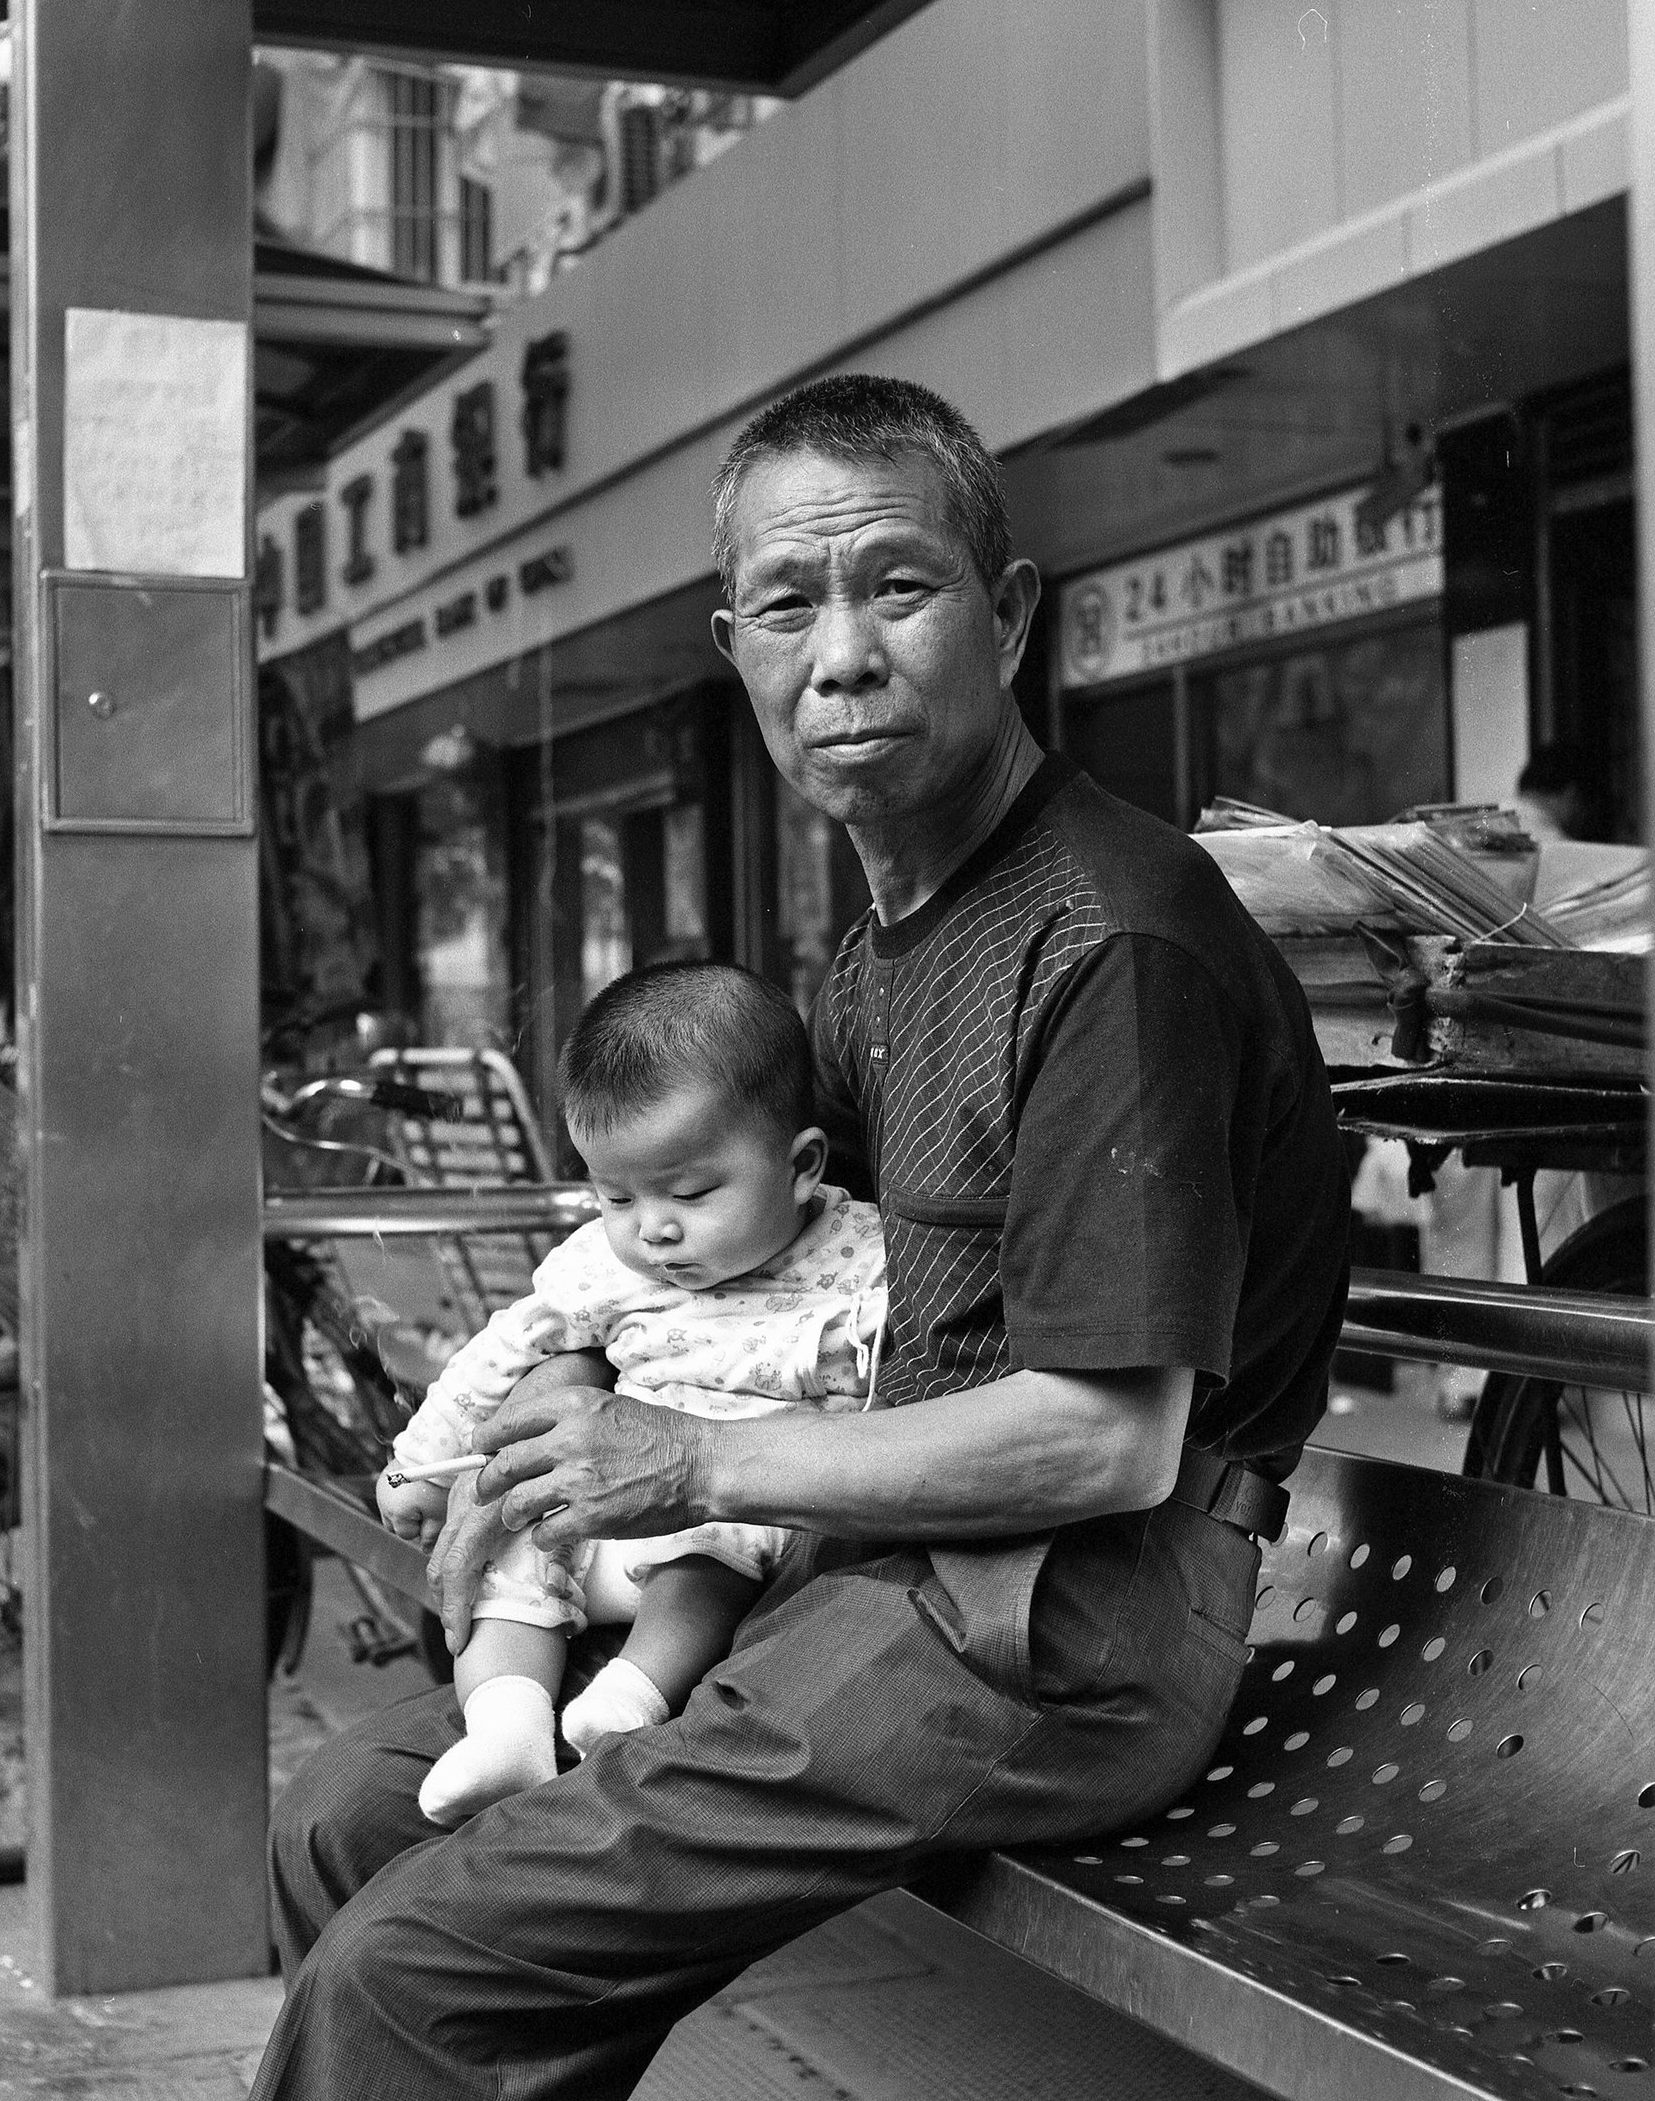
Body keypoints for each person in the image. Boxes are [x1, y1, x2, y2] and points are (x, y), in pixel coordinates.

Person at [249, 374, 1350, 2101]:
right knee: (343, 1822)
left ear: (1010, 612)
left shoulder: (1115, 943)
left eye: (896, 587)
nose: (839, 653)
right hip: (857, 1583)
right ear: (734, 647)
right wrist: (540, 1454)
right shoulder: (883, 946)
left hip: (1060, 1627)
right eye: (787, 605)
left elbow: (1104, 1438)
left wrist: (685, 1458)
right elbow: (732, 1262)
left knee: (413, 1979)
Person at [376, 961, 885, 1827]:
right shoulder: (603, 1264)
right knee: (512, 1539)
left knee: (711, 1542)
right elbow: (502, 1354)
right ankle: (508, 1730)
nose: (654, 1227)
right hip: (597, 1508)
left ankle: (633, 1696)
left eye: (689, 1193)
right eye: (615, 1196)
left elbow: (902, 1366)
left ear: (801, 1166)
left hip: (729, 1516)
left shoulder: (858, 1256)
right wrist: (422, 1466)